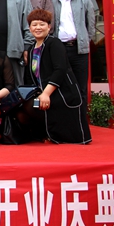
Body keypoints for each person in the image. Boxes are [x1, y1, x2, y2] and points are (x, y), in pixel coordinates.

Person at [23, 9, 92, 144]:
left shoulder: (54, 43)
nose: (38, 27)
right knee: (25, 107)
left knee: (36, 107)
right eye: (34, 24)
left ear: (49, 27)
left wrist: (46, 94)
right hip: (43, 92)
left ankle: (55, 135)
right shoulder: (31, 48)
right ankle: (45, 134)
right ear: (30, 28)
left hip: (61, 92)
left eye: (42, 24)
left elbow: (60, 70)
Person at [50, 0, 96, 114]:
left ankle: (81, 122)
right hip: (59, 50)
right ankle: (64, 122)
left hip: (78, 50)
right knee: (60, 85)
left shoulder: (85, 1)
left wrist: (83, 41)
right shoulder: (51, 2)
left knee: (80, 87)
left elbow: (91, 27)